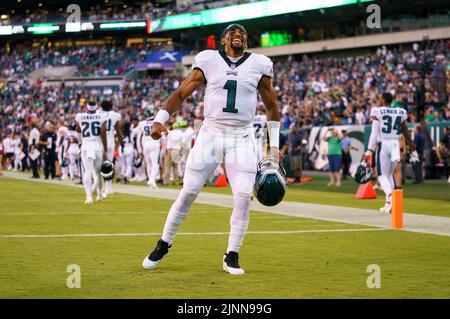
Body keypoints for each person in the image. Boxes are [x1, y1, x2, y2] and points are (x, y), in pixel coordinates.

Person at [142, 23, 280, 275]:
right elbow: (181, 93)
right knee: (189, 192)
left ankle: (232, 255)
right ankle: (164, 243)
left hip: (243, 136)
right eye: (233, 33)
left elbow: (272, 106)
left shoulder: (260, 64)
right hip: (211, 133)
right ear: (223, 40)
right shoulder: (207, 60)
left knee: (242, 197)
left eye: (243, 34)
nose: (239, 35)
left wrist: (274, 146)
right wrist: (160, 119)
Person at [363, 92, 418, 213]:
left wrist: (368, 151)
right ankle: (389, 204)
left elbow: (374, 134)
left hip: (384, 143)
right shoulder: (401, 111)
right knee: (390, 175)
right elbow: (406, 133)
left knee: (382, 175)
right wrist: (413, 150)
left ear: (383, 100)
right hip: (395, 144)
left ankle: (390, 196)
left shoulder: (377, 111)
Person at [75, 101, 108, 204]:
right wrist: (105, 149)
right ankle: (99, 194)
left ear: (87, 107)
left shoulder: (80, 116)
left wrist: (80, 143)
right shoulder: (101, 116)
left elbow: (78, 130)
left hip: (86, 145)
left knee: (87, 172)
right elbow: (103, 133)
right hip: (97, 145)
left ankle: (89, 197)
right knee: (98, 173)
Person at [98, 100, 122, 195]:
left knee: (100, 165)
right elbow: (118, 130)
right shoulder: (115, 115)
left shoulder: (97, 113)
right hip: (111, 140)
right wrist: (121, 142)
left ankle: (102, 186)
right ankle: (109, 187)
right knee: (110, 164)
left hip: (99, 141)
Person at [136, 110, 160, 188]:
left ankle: (150, 181)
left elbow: (138, 138)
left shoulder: (141, 123)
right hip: (155, 144)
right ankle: (152, 180)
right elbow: (162, 136)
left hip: (145, 145)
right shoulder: (158, 123)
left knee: (149, 164)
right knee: (155, 164)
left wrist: (139, 149)